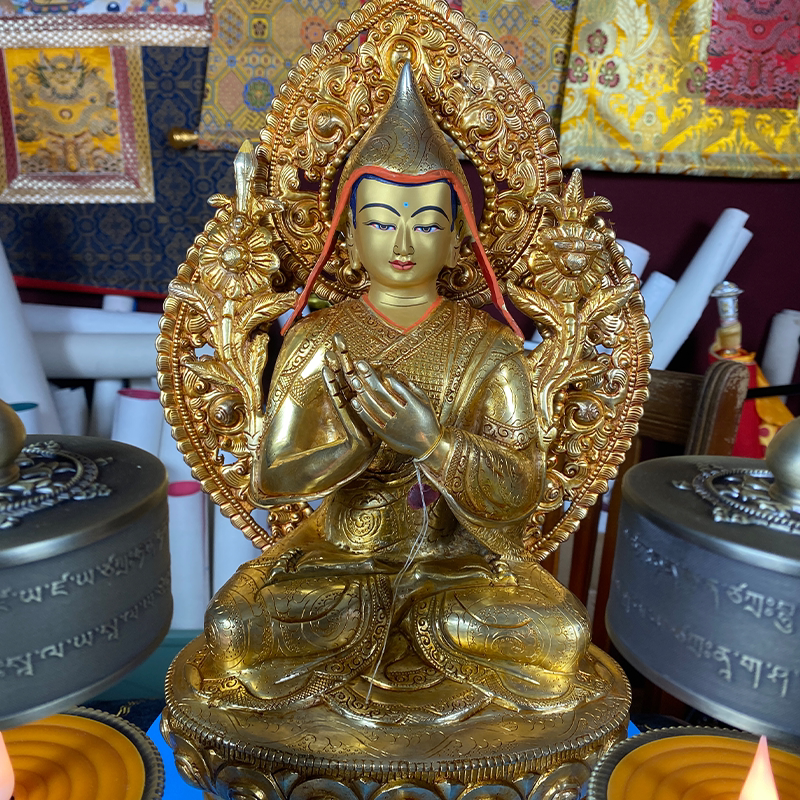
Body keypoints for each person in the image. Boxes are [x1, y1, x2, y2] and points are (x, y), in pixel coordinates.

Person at [192, 64, 603, 722]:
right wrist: (353, 449)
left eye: (426, 223)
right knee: (238, 624)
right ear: (349, 237)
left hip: (456, 565)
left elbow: (521, 488)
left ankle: (408, 643)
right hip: (341, 561)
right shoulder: (319, 339)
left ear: (459, 238)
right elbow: (272, 480)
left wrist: (431, 445)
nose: (405, 242)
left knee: (559, 633)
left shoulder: (489, 344)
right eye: (382, 222)